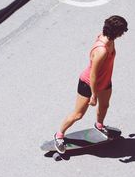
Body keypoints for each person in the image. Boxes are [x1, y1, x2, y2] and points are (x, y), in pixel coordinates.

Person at [54, 15, 128, 154]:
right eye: (122, 31)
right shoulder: (101, 51)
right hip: (88, 84)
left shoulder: (110, 40)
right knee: (78, 114)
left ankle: (99, 126)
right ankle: (59, 135)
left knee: (105, 106)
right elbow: (93, 74)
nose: (123, 34)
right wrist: (93, 94)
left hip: (105, 81)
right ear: (115, 32)